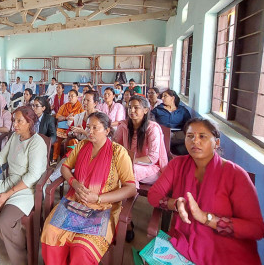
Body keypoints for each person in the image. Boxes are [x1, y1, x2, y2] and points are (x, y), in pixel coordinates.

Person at [147, 118, 264, 264]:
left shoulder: (235, 174)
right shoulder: (177, 165)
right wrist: (176, 204)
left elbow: (255, 229)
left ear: (216, 143)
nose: (195, 141)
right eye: (190, 136)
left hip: (225, 251)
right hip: (184, 244)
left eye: (202, 136)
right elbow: (153, 195)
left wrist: (206, 218)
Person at [41, 112, 137, 264]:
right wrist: (75, 183)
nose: (89, 131)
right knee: (50, 232)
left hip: (102, 208)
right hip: (75, 201)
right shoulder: (82, 145)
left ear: (107, 130)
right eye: (88, 127)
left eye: (95, 128)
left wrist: (98, 198)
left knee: (82, 248)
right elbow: (65, 167)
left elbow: (131, 189)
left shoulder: (119, 153)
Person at [0, 106, 48, 265]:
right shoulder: (15, 136)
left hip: (27, 190)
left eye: (19, 121)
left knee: (5, 222)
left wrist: (8, 194)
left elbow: (33, 176)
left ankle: (21, 258)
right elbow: (2, 156)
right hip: (9, 183)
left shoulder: (37, 143)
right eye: (14, 120)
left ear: (29, 122)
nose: (15, 124)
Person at [114, 95, 168, 187]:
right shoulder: (123, 125)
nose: (132, 110)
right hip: (127, 163)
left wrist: (130, 161)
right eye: (130, 107)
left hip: (150, 168)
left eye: (136, 108)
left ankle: (129, 195)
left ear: (146, 110)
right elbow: (115, 146)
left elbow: (152, 158)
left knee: (130, 169)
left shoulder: (152, 128)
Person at [151, 89, 192, 155]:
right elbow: (151, 122)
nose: (162, 98)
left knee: (184, 148)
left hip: (179, 135)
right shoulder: (157, 110)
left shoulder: (182, 110)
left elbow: (189, 124)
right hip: (163, 134)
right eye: (162, 96)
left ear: (172, 98)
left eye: (165, 96)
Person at [53, 89, 83, 161]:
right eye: (69, 96)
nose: (70, 98)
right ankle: (55, 158)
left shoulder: (81, 107)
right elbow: (58, 116)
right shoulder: (64, 106)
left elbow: (83, 119)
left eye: (72, 96)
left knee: (72, 142)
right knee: (57, 140)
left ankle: (70, 159)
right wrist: (66, 118)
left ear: (77, 97)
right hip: (63, 128)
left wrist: (74, 119)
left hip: (74, 129)